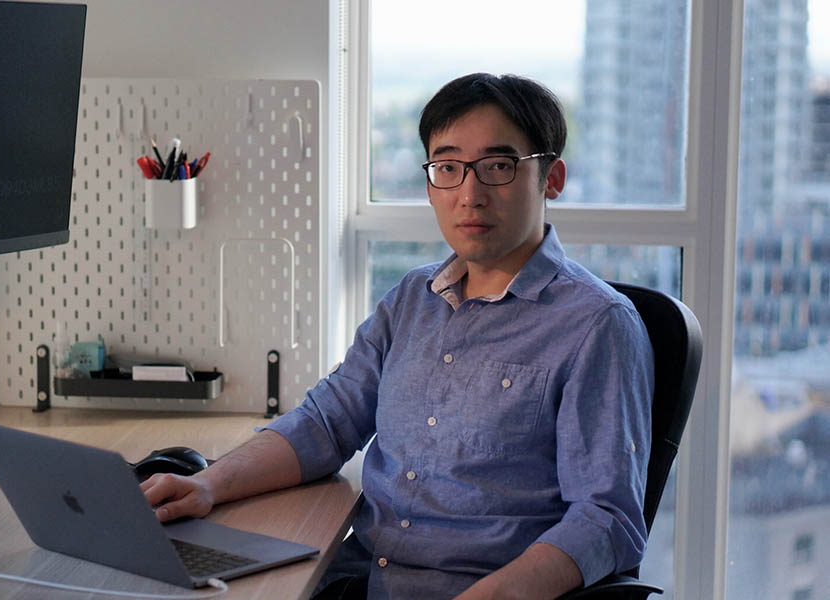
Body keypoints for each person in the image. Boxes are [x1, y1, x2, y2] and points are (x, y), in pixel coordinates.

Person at [142, 73, 654, 600]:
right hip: (361, 582)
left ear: (552, 178)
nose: (470, 195)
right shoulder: (412, 299)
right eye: (447, 168)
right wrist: (206, 484)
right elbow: (326, 422)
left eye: (498, 167)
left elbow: (606, 517)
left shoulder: (597, 325)